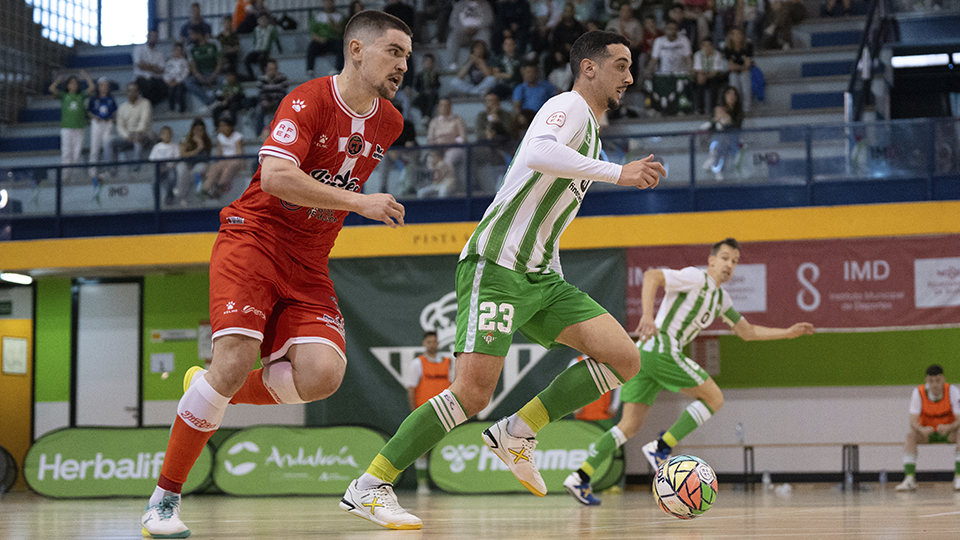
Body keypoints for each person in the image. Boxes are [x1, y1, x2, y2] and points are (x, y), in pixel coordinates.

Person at [341, 30, 663, 531]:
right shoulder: (569, 106)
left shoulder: (591, 131)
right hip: (497, 266)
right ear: (590, 68)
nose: (630, 75)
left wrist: (551, 263)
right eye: (620, 65)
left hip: (539, 275)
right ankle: (370, 485)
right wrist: (618, 173)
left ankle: (518, 431)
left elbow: (544, 208)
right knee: (471, 395)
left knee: (624, 357)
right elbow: (536, 153)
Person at [140, 11, 411, 537]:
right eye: (393, 51)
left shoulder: (390, 122)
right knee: (237, 357)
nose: (403, 63)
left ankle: (215, 387)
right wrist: (358, 202)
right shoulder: (308, 100)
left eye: (406, 54)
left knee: (321, 376)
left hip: (309, 260)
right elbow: (277, 176)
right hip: (254, 239)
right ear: (357, 50)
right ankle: (163, 501)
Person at [564, 238, 816, 506]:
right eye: (725, 258)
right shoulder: (696, 278)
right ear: (711, 260)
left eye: (735, 261)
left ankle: (581, 476)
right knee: (714, 398)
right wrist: (647, 316)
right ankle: (661, 447)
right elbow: (652, 276)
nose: (729, 265)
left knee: (629, 426)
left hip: (644, 356)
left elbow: (747, 331)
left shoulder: (720, 298)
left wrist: (787, 333)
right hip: (663, 349)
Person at [895, 364, 960, 492]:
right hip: (927, 433)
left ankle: (958, 477)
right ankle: (909, 479)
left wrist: (948, 427)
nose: (935, 384)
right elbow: (913, 421)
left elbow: (959, 419)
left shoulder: (953, 391)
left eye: (938, 381)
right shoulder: (918, 393)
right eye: (931, 381)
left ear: (943, 379)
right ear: (927, 381)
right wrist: (921, 429)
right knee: (910, 436)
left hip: (947, 432)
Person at [404, 331, 455, 495]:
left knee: (445, 445)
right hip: (424, 411)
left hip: (445, 410)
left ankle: (448, 481)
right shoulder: (417, 364)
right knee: (422, 448)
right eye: (429, 342)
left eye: (435, 341)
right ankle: (422, 484)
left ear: (438, 343)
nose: (432, 344)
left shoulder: (449, 363)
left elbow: (454, 386)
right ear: (424, 344)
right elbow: (411, 389)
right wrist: (414, 412)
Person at [49, 71, 94, 182]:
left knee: (77, 153)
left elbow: (92, 87)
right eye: (71, 83)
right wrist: (57, 81)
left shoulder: (81, 96)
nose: (73, 85)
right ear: (67, 85)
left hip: (79, 128)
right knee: (66, 152)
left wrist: (86, 77)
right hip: (67, 128)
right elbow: (51, 89)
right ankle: (65, 176)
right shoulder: (64, 96)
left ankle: (74, 176)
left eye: (75, 83)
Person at [567, 354, 620, 428]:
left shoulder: (609, 363)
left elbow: (618, 385)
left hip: (604, 414)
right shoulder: (576, 362)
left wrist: (614, 406)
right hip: (582, 414)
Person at [201, 116, 246, 199]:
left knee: (227, 170)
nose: (222, 128)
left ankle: (220, 188)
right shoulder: (220, 137)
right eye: (221, 126)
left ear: (231, 127)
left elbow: (239, 153)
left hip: (235, 160)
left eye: (224, 126)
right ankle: (206, 189)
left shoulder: (237, 136)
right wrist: (218, 163)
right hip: (224, 160)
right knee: (214, 168)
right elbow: (219, 153)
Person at [112, 82, 153, 165]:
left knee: (138, 141)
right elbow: (120, 126)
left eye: (134, 91)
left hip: (143, 134)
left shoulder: (145, 103)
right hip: (128, 136)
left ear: (138, 92)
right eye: (129, 91)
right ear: (126, 93)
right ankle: (111, 171)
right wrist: (127, 136)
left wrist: (137, 133)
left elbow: (144, 122)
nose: (132, 93)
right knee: (109, 142)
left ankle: (136, 169)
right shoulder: (122, 107)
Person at [174, 117, 213, 205]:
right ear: (192, 129)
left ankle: (199, 196)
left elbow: (206, 159)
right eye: (196, 129)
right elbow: (182, 154)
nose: (198, 132)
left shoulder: (207, 141)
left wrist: (201, 145)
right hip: (186, 165)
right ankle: (182, 196)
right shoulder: (185, 139)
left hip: (197, 167)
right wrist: (197, 149)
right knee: (181, 168)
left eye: (201, 130)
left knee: (201, 168)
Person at [446, 0, 495, 67]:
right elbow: (452, 21)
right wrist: (463, 29)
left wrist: (477, 28)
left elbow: (490, 19)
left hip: (479, 31)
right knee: (453, 36)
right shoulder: (459, 4)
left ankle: (483, 61)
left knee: (486, 34)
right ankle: (453, 63)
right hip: (463, 32)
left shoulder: (485, 4)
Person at [87, 77, 117, 182]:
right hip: (96, 123)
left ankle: (107, 169)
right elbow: (90, 111)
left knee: (107, 146)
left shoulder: (111, 98)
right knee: (94, 146)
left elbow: (114, 111)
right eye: (102, 85)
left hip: (107, 123)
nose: (104, 87)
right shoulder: (94, 98)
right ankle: (92, 170)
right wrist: (96, 117)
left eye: (106, 85)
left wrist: (111, 118)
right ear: (98, 87)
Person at [427, 98, 467, 173]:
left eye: (446, 105)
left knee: (449, 158)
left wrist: (452, 141)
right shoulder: (434, 122)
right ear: (438, 107)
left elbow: (462, 138)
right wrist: (434, 151)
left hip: (454, 148)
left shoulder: (457, 120)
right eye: (441, 105)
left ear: (450, 107)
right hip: (438, 149)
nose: (444, 107)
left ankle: (449, 183)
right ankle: (435, 182)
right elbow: (430, 139)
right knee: (431, 159)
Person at [307, 0, 346, 77]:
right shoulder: (317, 16)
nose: (328, 4)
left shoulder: (339, 16)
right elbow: (312, 33)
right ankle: (310, 69)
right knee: (312, 46)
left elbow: (341, 31)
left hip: (334, 41)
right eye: (326, 2)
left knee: (341, 44)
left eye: (330, 2)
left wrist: (333, 23)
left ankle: (338, 68)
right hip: (321, 41)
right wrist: (320, 39)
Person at [186, 29, 223, 106]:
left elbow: (219, 63)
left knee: (223, 80)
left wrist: (214, 75)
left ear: (199, 35)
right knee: (188, 82)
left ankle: (215, 100)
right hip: (200, 74)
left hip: (213, 72)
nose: (191, 37)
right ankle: (208, 102)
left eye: (193, 35)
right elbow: (193, 67)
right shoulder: (191, 48)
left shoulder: (214, 44)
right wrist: (199, 76)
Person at [254, 59, 289, 138]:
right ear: (266, 69)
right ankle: (259, 133)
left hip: (278, 100)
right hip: (266, 100)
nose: (271, 71)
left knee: (284, 106)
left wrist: (274, 101)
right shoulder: (261, 79)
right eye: (269, 69)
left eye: (273, 69)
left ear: (277, 69)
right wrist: (265, 102)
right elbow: (261, 93)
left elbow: (282, 92)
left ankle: (281, 132)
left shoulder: (283, 78)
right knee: (259, 108)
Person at [692, 37, 727, 115]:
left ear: (712, 47)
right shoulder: (697, 55)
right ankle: (699, 109)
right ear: (701, 47)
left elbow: (716, 71)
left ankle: (713, 108)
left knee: (714, 84)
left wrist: (705, 77)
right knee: (699, 84)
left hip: (713, 76)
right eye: (704, 45)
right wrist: (701, 77)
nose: (707, 48)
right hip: (702, 76)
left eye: (709, 45)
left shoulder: (717, 54)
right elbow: (698, 69)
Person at [133, 30, 168, 105]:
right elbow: (140, 65)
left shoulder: (160, 53)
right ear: (148, 37)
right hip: (142, 78)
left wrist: (147, 66)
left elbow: (161, 69)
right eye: (151, 36)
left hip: (155, 79)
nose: (153, 38)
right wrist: (154, 67)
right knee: (147, 86)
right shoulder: (138, 49)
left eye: (155, 37)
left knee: (164, 87)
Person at [150, 125, 182, 206]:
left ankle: (169, 196)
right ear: (161, 135)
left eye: (169, 134)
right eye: (165, 134)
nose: (167, 136)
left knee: (172, 177)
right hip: (159, 169)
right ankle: (156, 201)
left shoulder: (174, 146)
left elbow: (177, 159)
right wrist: (161, 166)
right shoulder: (157, 147)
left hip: (171, 168)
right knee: (154, 181)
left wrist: (169, 165)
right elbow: (152, 159)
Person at [723, 27, 753, 113]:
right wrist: (740, 67)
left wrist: (737, 67)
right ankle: (734, 108)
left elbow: (747, 65)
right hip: (734, 73)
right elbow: (730, 67)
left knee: (745, 77)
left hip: (745, 72)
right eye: (733, 34)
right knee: (733, 78)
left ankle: (746, 109)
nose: (736, 36)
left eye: (738, 34)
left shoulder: (748, 46)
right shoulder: (727, 49)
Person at [244, 14, 282, 81]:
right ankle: (252, 77)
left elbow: (275, 39)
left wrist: (280, 50)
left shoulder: (271, 29)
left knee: (262, 59)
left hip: (265, 50)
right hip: (256, 50)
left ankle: (265, 76)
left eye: (264, 19)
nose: (263, 21)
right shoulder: (256, 29)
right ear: (258, 21)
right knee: (246, 60)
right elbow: (255, 41)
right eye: (261, 20)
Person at [411, 53, 441, 120]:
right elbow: (417, 87)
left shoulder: (435, 75)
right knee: (422, 99)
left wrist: (431, 90)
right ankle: (424, 116)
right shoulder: (419, 75)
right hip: (422, 94)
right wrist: (423, 91)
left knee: (431, 98)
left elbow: (437, 85)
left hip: (432, 94)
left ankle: (427, 116)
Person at [164, 43, 190, 113]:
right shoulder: (169, 62)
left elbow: (185, 72)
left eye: (179, 50)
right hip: (170, 82)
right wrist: (168, 81)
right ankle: (171, 109)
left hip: (180, 82)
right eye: (176, 50)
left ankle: (182, 109)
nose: (177, 52)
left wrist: (177, 81)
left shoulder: (184, 61)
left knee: (179, 90)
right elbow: (166, 72)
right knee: (170, 91)